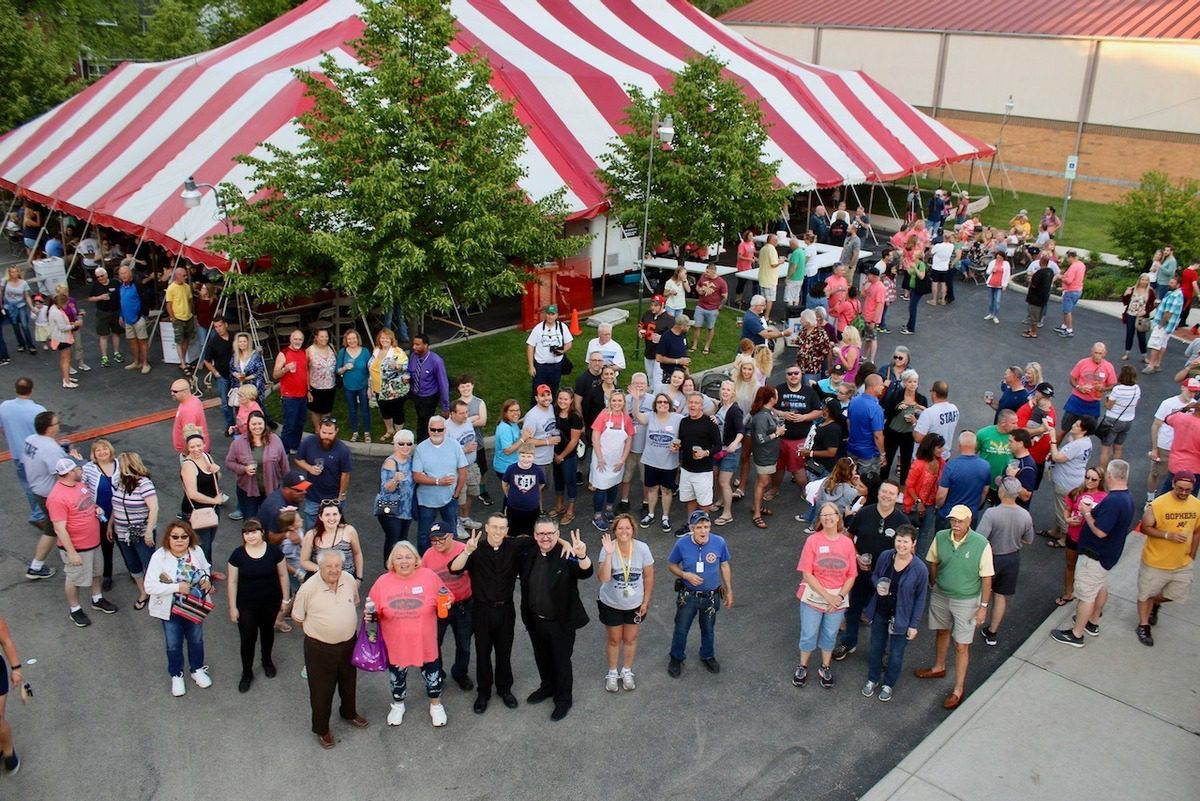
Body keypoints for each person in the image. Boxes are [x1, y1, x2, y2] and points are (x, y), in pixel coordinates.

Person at [448, 515, 542, 714]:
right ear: (487, 528)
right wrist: (467, 550)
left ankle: (504, 689)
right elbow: (454, 569)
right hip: (481, 610)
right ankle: (483, 693)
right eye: (495, 527)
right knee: (482, 654)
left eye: (502, 528)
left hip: (506, 609)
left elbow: (542, 538)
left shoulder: (515, 545)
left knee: (504, 652)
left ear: (507, 531)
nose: (498, 532)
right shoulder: (475, 549)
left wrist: (564, 543)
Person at [914, 504, 994, 709]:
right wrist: (934, 581)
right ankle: (938, 667)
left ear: (969, 522)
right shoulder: (941, 536)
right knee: (941, 632)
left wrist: (983, 607)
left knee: (961, 645)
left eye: (959, 521)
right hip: (941, 594)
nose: (955, 525)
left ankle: (958, 689)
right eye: (953, 520)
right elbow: (933, 560)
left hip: (967, 601)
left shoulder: (981, 544)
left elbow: (986, 579)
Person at [1051, 460, 1136, 648]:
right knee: (1101, 586)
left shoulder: (1113, 500)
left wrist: (1087, 513)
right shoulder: (1127, 498)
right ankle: (1093, 621)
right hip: (1107, 555)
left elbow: (1100, 531)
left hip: (1095, 555)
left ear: (1109, 477)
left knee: (1086, 595)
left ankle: (1077, 633)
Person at [367, 541, 451, 729]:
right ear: (392, 562)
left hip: (425, 642)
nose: (403, 561)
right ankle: (398, 705)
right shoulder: (382, 582)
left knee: (432, 674)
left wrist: (445, 603)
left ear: (415, 559)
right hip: (396, 644)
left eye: (408, 557)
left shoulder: (429, 576)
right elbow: (371, 610)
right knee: (396, 676)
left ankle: (436, 706)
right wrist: (370, 620)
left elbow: (446, 595)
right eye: (398, 557)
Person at [291, 548, 367, 748]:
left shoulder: (349, 579)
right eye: (329, 566)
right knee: (321, 691)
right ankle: (322, 729)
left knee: (348, 682)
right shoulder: (308, 589)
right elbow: (298, 619)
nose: (334, 570)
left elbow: (355, 603)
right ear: (320, 566)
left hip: (349, 643)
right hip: (319, 649)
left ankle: (349, 712)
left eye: (337, 566)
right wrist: (321, 631)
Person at [517, 518, 592, 721]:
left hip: (561, 623)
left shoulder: (567, 555)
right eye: (541, 533)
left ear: (557, 535)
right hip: (535, 620)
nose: (545, 537)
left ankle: (563, 700)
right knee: (542, 658)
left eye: (550, 533)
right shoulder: (528, 552)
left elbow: (586, 572)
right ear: (534, 536)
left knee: (561, 662)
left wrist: (582, 554)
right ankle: (547, 688)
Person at [833, 480, 910, 662]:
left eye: (891, 493)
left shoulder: (902, 521)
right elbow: (849, 537)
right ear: (878, 493)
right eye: (884, 492)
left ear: (897, 497)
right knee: (853, 609)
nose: (886, 496)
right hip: (861, 572)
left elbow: (909, 551)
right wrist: (856, 557)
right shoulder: (865, 513)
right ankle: (848, 642)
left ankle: (879, 651)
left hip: (886, 577)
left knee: (881, 615)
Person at [791, 502, 858, 690]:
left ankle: (825, 666)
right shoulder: (813, 541)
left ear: (838, 517)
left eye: (832, 514)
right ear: (820, 519)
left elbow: (852, 574)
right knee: (808, 633)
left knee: (830, 634)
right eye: (824, 515)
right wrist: (829, 598)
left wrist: (839, 596)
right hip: (815, 596)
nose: (828, 518)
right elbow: (807, 573)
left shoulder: (847, 543)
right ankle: (802, 666)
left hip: (838, 598)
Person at [144, 520, 215, 696]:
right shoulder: (159, 557)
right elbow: (149, 586)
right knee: (173, 644)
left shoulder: (196, 551)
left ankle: (197, 669)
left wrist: (206, 580)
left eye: (184, 537)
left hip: (194, 606)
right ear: (168, 538)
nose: (179, 540)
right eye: (174, 536)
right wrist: (176, 588)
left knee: (196, 640)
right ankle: (176, 674)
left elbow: (206, 568)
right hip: (169, 609)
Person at [47, 457, 119, 627]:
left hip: (93, 542)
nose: (81, 471)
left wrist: (96, 508)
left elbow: (87, 502)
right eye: (78, 469)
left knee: (96, 572)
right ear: (70, 472)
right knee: (74, 578)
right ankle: (75, 609)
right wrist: (71, 552)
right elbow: (59, 529)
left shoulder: (79, 485)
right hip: (77, 548)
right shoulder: (56, 498)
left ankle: (97, 598)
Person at [862, 524, 928, 701]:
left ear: (913, 543)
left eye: (906, 542)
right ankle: (873, 679)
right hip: (881, 611)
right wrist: (877, 585)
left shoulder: (920, 569)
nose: (901, 545)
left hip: (902, 618)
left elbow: (921, 598)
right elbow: (875, 575)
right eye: (899, 540)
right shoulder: (886, 556)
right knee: (876, 647)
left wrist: (914, 625)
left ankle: (888, 684)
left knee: (896, 654)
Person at [1135, 472, 1200, 647]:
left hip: (1182, 562)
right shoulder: (1158, 505)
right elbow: (1146, 527)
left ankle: (1155, 604)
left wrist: (1192, 553)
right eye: (1180, 488)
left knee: (1175, 594)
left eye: (1188, 490)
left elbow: (1197, 530)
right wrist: (1166, 535)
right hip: (1155, 561)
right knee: (1145, 595)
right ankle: (1143, 625)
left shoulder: (1196, 505)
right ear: (1173, 484)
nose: (1184, 493)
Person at [667, 511, 732, 677]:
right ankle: (676, 657)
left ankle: (707, 655)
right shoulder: (682, 544)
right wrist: (684, 575)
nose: (703, 531)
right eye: (699, 527)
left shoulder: (719, 542)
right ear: (691, 528)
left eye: (706, 527)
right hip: (688, 596)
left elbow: (724, 565)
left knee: (708, 628)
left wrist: (729, 589)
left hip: (711, 597)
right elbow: (672, 565)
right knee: (681, 629)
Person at [226, 519, 288, 693]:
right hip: (246, 604)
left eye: (253, 531)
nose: (250, 535)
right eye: (246, 533)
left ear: (262, 532)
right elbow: (232, 582)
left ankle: (267, 661)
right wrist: (233, 607)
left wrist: (285, 599)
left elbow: (283, 575)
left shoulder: (274, 552)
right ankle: (247, 672)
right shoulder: (237, 555)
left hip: (270, 601)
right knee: (247, 638)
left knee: (267, 632)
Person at [596, 514, 654, 692]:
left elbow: (649, 576)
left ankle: (627, 671)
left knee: (630, 639)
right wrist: (608, 555)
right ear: (615, 531)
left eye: (627, 528)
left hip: (635, 604)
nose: (624, 531)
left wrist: (646, 601)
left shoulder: (642, 549)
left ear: (633, 530)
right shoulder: (607, 549)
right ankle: (612, 673)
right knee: (614, 639)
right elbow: (604, 578)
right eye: (620, 528)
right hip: (611, 603)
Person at [975, 478, 1035, 647]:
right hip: (1012, 559)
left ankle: (969, 626)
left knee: (979, 593)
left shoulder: (992, 513)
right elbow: (1029, 539)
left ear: (1002, 492)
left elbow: (980, 538)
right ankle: (992, 632)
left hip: (991, 558)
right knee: (1001, 596)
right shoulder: (1025, 515)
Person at [421, 525, 474, 693]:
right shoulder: (428, 555)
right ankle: (438, 673)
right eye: (433, 539)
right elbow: (422, 580)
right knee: (435, 642)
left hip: (463, 605)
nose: (437, 543)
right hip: (438, 608)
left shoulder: (464, 550)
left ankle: (460, 673)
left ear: (451, 536)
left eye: (441, 538)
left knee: (464, 643)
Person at [412, 415, 468, 553]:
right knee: (424, 535)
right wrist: (438, 482)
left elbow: (463, 471)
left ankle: (453, 561)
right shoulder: (421, 448)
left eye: (440, 429)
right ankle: (424, 563)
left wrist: (456, 494)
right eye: (433, 429)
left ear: (445, 429)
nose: (436, 432)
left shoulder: (454, 445)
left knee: (451, 533)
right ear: (428, 430)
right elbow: (417, 476)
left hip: (449, 499)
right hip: (426, 501)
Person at [224, 411, 289, 522]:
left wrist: (288, 486)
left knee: (270, 522)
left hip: (271, 489)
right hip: (247, 491)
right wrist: (243, 469)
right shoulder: (238, 443)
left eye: (260, 423)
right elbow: (229, 463)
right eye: (253, 424)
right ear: (248, 425)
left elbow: (284, 464)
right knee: (251, 523)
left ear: (265, 424)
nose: (257, 427)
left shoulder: (275, 440)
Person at [1056, 468, 1107, 607]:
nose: (1089, 481)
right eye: (1087, 477)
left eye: (1094, 479)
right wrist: (1068, 520)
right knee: (1070, 565)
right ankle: (1068, 593)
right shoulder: (1076, 492)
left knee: (1088, 571)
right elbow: (1067, 509)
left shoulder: (1105, 498)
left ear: (1101, 480)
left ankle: (1089, 599)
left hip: (1091, 541)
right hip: (1073, 536)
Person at [0, 378, 46, 529]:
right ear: (32, 390)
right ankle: (40, 514)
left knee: (28, 485)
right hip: (35, 456)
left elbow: (2, 428)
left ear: (15, 389)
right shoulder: (38, 410)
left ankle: (37, 513)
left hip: (17, 455)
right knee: (43, 484)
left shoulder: (5, 407)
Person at [179, 430, 226, 573]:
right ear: (187, 448)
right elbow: (192, 494)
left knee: (209, 542)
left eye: (199, 445)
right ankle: (203, 576)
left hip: (211, 509)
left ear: (204, 444)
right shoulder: (188, 465)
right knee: (201, 545)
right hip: (197, 511)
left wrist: (217, 470)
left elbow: (214, 479)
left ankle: (208, 570)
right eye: (192, 447)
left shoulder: (206, 456)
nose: (196, 449)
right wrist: (214, 500)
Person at [1046, 417, 1097, 548]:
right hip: (1075, 480)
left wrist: (1052, 440)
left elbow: (1058, 457)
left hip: (1065, 483)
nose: (1073, 425)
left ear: (1084, 430)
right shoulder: (1086, 442)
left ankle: (1064, 537)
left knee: (1062, 510)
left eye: (1077, 425)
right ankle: (1056, 530)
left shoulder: (1077, 445)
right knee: (1062, 506)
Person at [676, 392, 722, 529]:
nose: (693, 405)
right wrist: (677, 447)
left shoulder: (709, 423)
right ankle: (691, 525)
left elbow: (718, 446)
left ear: (701, 406)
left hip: (703, 471)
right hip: (686, 469)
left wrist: (706, 453)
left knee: (704, 503)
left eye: (696, 403)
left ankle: (703, 527)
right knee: (690, 499)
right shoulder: (684, 422)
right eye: (691, 402)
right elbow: (683, 443)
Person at [294, 416, 352, 524]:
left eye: (330, 434)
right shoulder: (309, 442)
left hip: (333, 498)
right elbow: (298, 459)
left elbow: (345, 474)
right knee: (311, 531)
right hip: (312, 496)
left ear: (336, 431)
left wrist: (342, 494)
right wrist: (309, 468)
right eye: (324, 432)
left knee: (332, 530)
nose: (326, 436)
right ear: (319, 429)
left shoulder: (343, 450)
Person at [589, 392, 634, 532]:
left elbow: (628, 441)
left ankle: (609, 510)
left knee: (614, 485)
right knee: (601, 488)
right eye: (614, 400)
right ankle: (597, 516)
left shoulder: (626, 419)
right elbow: (595, 438)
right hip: (601, 459)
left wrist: (623, 459)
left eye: (619, 400)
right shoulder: (602, 416)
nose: (617, 403)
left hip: (617, 460)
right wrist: (600, 457)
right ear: (610, 402)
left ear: (623, 403)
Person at [1147, 381, 1194, 505]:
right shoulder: (1168, 403)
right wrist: (1154, 448)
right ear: (1183, 387)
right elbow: (1156, 424)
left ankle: (1169, 502)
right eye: (1190, 390)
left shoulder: (1195, 406)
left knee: (1176, 478)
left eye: (1195, 391)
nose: (1192, 393)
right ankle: (1150, 498)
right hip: (1165, 446)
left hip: (1182, 448)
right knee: (1156, 474)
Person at [81, 439, 118, 591]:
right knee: (106, 546)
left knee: (126, 545)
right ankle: (107, 576)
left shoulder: (119, 464)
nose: (102, 452)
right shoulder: (88, 468)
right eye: (98, 450)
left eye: (105, 449)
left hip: (121, 512)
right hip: (101, 515)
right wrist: (92, 506)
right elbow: (81, 489)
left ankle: (134, 571)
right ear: (94, 454)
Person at [374, 429, 416, 563]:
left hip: (406, 508)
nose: (405, 447)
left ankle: (400, 566)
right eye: (401, 443)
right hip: (391, 509)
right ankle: (389, 567)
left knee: (403, 539)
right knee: (393, 538)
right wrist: (395, 480)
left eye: (408, 444)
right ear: (395, 444)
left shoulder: (411, 460)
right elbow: (386, 488)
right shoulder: (391, 462)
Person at [935, 431, 991, 531]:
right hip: (970, 515)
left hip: (949, 514)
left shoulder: (951, 466)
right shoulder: (985, 466)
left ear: (959, 446)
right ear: (975, 445)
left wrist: (938, 506)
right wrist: (976, 506)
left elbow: (941, 495)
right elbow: (985, 491)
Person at [748, 385, 786, 529]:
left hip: (769, 455)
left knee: (761, 482)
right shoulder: (762, 417)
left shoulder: (767, 413)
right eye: (776, 395)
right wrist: (777, 433)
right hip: (764, 456)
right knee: (763, 483)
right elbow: (760, 439)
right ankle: (757, 513)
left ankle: (757, 506)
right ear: (771, 399)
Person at [446, 399, 486, 531]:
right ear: (452, 414)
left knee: (472, 492)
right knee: (458, 496)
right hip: (457, 470)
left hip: (471, 465)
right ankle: (456, 524)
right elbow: (445, 453)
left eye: (466, 412)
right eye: (461, 413)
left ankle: (464, 518)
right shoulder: (446, 429)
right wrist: (464, 450)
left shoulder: (467, 421)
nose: (465, 415)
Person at [299, 500, 364, 581]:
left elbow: (357, 554)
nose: (332, 518)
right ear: (320, 517)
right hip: (322, 581)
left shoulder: (349, 531)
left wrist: (359, 578)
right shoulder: (311, 535)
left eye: (335, 514)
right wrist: (321, 570)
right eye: (327, 515)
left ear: (340, 516)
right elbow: (304, 561)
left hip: (346, 580)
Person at [1061, 342, 1116, 436]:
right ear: (1091, 352)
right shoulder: (1082, 362)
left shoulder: (1108, 367)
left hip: (1093, 404)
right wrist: (1079, 387)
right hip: (1076, 401)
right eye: (1096, 353)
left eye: (1100, 353)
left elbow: (1112, 385)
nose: (1098, 356)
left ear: (1105, 353)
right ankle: (1052, 450)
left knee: (1087, 434)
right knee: (1063, 430)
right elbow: (1072, 379)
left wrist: (1102, 389)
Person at [882, 369, 926, 483]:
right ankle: (882, 483)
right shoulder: (896, 396)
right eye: (910, 381)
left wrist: (915, 419)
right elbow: (887, 413)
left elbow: (925, 418)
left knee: (906, 462)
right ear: (905, 383)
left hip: (908, 434)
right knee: (888, 459)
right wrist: (897, 409)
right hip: (893, 432)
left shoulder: (921, 399)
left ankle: (902, 487)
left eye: (915, 382)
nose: (913, 384)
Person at [457, 374, 494, 508]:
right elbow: (456, 422)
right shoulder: (456, 405)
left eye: (468, 385)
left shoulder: (479, 402)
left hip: (477, 444)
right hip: (461, 445)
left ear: (472, 386)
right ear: (458, 388)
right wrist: (473, 419)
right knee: (462, 469)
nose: (466, 388)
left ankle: (482, 491)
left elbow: (483, 421)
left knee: (482, 470)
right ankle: (463, 491)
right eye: (462, 386)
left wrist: (465, 421)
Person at [713, 380, 745, 526]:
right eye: (723, 389)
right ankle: (720, 500)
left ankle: (727, 513)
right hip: (719, 449)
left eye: (728, 390)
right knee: (716, 476)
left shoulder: (735, 410)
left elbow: (740, 431)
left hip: (731, 451)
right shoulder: (721, 406)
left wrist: (734, 443)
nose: (725, 392)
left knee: (724, 481)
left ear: (733, 393)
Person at [526, 304, 573, 403]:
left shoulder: (562, 327)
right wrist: (531, 366)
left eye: (552, 314)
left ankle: (552, 409)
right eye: (548, 314)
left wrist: (562, 351)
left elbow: (569, 343)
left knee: (554, 389)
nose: (550, 316)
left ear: (556, 315)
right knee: (537, 389)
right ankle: (535, 409)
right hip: (541, 366)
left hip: (556, 365)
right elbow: (530, 346)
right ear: (545, 315)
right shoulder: (538, 329)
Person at [368, 328, 408, 440]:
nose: (384, 340)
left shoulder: (397, 352)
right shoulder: (376, 350)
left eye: (387, 338)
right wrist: (369, 386)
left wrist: (396, 366)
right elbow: (371, 369)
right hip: (378, 389)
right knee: (384, 410)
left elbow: (405, 367)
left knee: (397, 411)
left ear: (392, 339)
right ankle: (389, 430)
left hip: (393, 390)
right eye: (382, 338)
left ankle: (398, 434)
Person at [273, 329, 309, 453]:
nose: (297, 341)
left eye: (300, 339)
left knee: (300, 422)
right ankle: (284, 451)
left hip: (303, 394)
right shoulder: (284, 353)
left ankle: (295, 446)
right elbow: (275, 375)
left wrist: (308, 390)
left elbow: (306, 372)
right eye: (295, 339)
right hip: (289, 396)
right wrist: (285, 369)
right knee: (289, 424)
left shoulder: (304, 352)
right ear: (290, 339)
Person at [408, 333, 450, 440]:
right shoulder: (413, 357)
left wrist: (445, 407)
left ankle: (422, 443)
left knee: (424, 422)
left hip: (429, 397)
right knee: (421, 419)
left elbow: (443, 384)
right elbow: (411, 371)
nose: (414, 347)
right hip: (416, 395)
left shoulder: (436, 361)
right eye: (414, 344)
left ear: (426, 345)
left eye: (417, 345)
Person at [551, 388, 583, 524]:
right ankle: (559, 505)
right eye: (560, 398)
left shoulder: (575, 417)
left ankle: (570, 510)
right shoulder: (554, 411)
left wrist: (561, 456)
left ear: (571, 400)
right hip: (554, 454)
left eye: (565, 399)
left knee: (570, 482)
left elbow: (574, 441)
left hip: (568, 456)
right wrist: (554, 454)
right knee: (558, 481)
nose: (562, 401)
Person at [335, 330, 371, 442]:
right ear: (346, 340)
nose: (352, 341)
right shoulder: (343, 352)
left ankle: (367, 432)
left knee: (365, 409)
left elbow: (370, 369)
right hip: (349, 386)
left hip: (363, 385)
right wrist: (345, 368)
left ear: (358, 338)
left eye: (354, 338)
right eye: (349, 339)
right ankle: (355, 432)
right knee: (352, 409)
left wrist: (370, 386)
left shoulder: (365, 351)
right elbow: (338, 371)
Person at [502, 444, 545, 537]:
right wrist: (508, 495)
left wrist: (534, 493)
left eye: (529, 456)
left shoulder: (537, 470)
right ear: (518, 456)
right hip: (514, 508)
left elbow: (541, 484)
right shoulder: (511, 469)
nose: (526, 459)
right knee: (512, 532)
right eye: (523, 456)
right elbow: (505, 483)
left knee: (531, 532)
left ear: (534, 457)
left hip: (532, 509)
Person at [115, 264, 151, 373]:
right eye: (121, 274)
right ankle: (136, 361)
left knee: (142, 341)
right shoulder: (121, 287)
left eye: (125, 273)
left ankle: (145, 363)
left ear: (130, 273)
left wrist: (142, 315)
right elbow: (121, 303)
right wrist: (121, 315)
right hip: (127, 319)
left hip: (138, 318)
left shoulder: (137, 285)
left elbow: (145, 300)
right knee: (132, 341)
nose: (124, 275)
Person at [85, 266, 123, 367]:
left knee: (116, 333)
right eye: (98, 277)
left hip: (115, 311)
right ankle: (104, 357)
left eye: (101, 276)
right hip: (103, 313)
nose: (100, 278)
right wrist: (99, 297)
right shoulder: (95, 286)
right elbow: (89, 298)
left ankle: (116, 353)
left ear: (106, 274)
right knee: (103, 335)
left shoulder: (115, 282)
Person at [1145, 276, 1183, 374]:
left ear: (1178, 285)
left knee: (1155, 344)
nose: (1169, 284)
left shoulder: (1175, 296)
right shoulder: (1172, 293)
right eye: (1169, 282)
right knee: (1162, 344)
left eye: (1172, 283)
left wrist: (1161, 324)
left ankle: (1151, 365)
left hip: (1163, 324)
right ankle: (1157, 364)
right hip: (1169, 326)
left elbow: (1169, 312)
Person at [912, 380, 958, 455]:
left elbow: (918, 438)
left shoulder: (928, 413)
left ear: (934, 393)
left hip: (927, 457)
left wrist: (914, 423)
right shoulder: (954, 409)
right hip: (944, 455)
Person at [638, 294, 674, 388]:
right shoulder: (647, 314)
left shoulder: (669, 319)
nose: (652, 307)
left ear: (662, 305)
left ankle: (657, 396)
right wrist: (640, 332)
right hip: (649, 351)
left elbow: (673, 338)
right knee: (650, 376)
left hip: (661, 354)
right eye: (652, 305)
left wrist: (661, 338)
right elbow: (640, 326)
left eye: (656, 305)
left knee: (657, 378)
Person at [305, 328, 337, 433]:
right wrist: (308, 389)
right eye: (321, 336)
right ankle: (317, 430)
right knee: (316, 410)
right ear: (316, 337)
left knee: (327, 409)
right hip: (316, 386)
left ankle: (325, 428)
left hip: (330, 385)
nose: (324, 339)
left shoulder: (331, 347)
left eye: (326, 336)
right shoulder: (310, 350)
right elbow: (305, 370)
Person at [164, 267, 196, 370]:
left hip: (188, 316)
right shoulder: (171, 288)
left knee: (186, 339)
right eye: (184, 275)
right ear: (177, 276)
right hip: (178, 317)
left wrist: (191, 312)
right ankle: (182, 362)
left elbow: (190, 300)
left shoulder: (187, 287)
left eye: (186, 275)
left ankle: (183, 360)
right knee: (179, 340)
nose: (186, 277)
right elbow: (169, 304)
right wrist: (173, 317)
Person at [692, 263, 727, 354]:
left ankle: (706, 346)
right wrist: (699, 290)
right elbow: (698, 286)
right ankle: (694, 345)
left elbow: (725, 296)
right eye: (705, 271)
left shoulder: (721, 282)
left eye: (708, 272)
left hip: (712, 309)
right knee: (697, 326)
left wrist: (720, 306)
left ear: (713, 271)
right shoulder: (703, 276)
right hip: (700, 306)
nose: (705, 273)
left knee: (710, 328)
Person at [48, 293, 80, 388]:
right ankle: (66, 381)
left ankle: (66, 377)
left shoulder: (54, 309)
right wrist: (74, 325)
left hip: (59, 338)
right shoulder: (57, 313)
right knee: (66, 360)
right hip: (63, 339)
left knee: (63, 359)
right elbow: (62, 327)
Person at [4, 266, 36, 355]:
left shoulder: (23, 283)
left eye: (16, 272)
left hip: (21, 306)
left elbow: (27, 296)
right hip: (10, 307)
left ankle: (31, 345)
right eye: (12, 272)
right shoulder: (5, 282)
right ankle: (21, 344)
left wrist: (31, 307)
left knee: (25, 326)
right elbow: (1, 292)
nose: (14, 274)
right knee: (15, 326)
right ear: (9, 273)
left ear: (19, 272)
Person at [655, 313, 692, 389]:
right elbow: (658, 358)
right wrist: (678, 361)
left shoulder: (683, 335)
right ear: (681, 326)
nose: (689, 328)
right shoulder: (666, 337)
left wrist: (685, 366)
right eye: (688, 326)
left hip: (682, 373)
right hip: (670, 375)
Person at [1023, 254, 1055, 339]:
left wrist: (1030, 279)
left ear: (1041, 262)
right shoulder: (1050, 272)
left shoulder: (1039, 273)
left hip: (1035, 298)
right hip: (1044, 298)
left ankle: (1033, 332)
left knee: (1033, 315)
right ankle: (1031, 329)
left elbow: (1033, 285)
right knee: (1038, 314)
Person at [1055, 251, 1086, 337]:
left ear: (1071, 257)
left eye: (1067, 258)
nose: (1067, 260)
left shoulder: (1073, 267)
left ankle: (1069, 329)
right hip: (1078, 290)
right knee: (1068, 309)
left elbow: (1069, 280)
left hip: (1071, 291)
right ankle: (1064, 326)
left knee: (1067, 311)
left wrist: (1060, 277)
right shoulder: (1081, 265)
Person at [757, 233, 785, 321]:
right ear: (772, 241)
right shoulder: (772, 250)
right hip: (770, 279)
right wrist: (781, 261)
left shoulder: (763, 248)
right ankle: (766, 317)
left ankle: (759, 314)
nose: (777, 242)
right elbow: (773, 264)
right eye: (776, 240)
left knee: (763, 298)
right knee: (770, 300)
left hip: (762, 277)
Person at [983, 251, 1011, 324]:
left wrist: (1005, 285)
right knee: (991, 301)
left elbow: (1007, 274)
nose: (998, 259)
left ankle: (995, 315)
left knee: (997, 301)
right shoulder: (993, 262)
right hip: (991, 283)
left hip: (999, 285)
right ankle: (991, 314)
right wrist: (992, 270)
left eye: (1000, 257)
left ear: (1003, 257)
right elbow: (987, 272)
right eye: (997, 257)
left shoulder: (1006, 264)